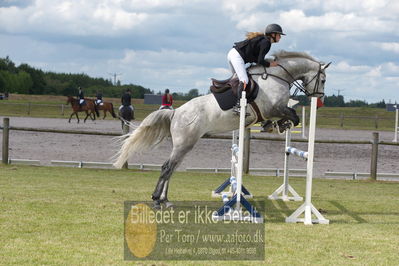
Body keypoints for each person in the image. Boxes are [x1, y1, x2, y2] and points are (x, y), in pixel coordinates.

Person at [228, 23, 285, 114]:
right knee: (244, 80)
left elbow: (257, 59)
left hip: (233, 54)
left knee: (236, 80)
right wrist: (270, 64)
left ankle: (232, 101)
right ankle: (239, 106)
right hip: (237, 57)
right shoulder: (266, 43)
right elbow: (260, 60)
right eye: (279, 35)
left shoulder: (264, 40)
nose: (280, 37)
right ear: (273, 35)